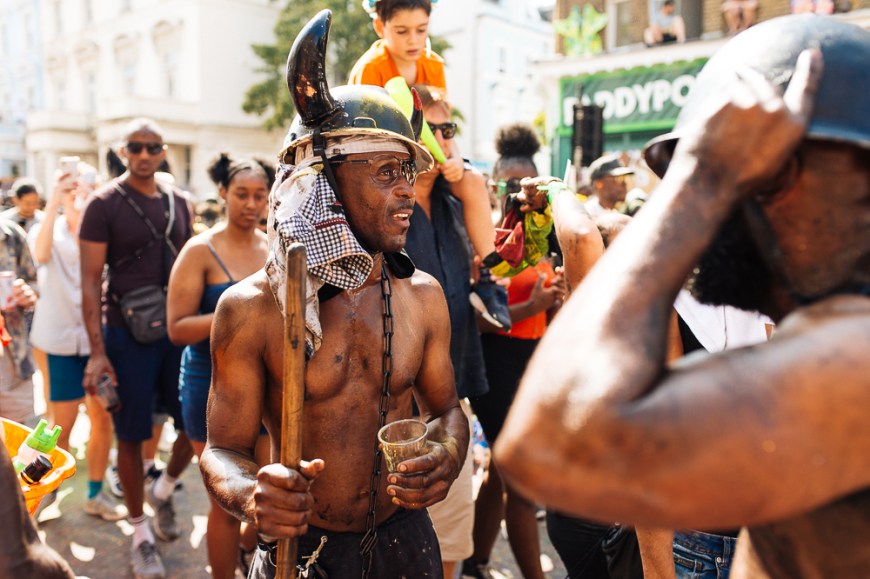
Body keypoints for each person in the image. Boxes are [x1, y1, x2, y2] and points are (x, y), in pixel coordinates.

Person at [495, 15, 870, 578]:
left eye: (764, 175)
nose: (734, 208)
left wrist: (702, 178)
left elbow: (546, 442)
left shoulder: (849, 355)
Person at [200, 11, 468, 578]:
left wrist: (445, 455)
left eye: (409, 173)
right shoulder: (252, 309)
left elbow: (447, 411)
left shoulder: (423, 297)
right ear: (321, 182)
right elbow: (222, 450)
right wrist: (254, 494)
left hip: (406, 544)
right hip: (303, 556)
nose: (406, 191)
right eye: (386, 172)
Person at [79, 118, 194, 579]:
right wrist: (97, 352)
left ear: (163, 151)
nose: (145, 155)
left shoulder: (179, 201)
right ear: (122, 152)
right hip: (125, 336)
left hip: (177, 332)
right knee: (130, 433)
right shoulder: (101, 204)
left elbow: (194, 269)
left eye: (153, 147)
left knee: (194, 426)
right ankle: (139, 530)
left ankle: (163, 489)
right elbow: (90, 284)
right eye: (135, 147)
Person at [350, 0, 511, 330]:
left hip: (428, 159)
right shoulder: (370, 69)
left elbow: (441, 119)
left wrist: (451, 159)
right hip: (382, 162)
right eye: (402, 31)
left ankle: (490, 273)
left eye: (421, 30)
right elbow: (364, 137)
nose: (414, 40)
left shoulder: (432, 64)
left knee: (472, 179)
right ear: (380, 28)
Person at [463, 123, 565, 579]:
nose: (520, 193)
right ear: (496, 182)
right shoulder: (483, 235)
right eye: (509, 183)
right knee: (520, 480)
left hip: (534, 361)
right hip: (495, 364)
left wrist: (556, 302)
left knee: (502, 474)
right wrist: (535, 303)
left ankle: (476, 562)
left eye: (530, 184)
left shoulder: (551, 234)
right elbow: (480, 311)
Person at [166, 153, 274, 579]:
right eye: (242, 194)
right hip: (207, 386)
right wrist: (238, 314)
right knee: (226, 503)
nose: (251, 204)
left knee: (263, 492)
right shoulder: (200, 250)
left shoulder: (274, 247)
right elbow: (176, 329)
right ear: (223, 194)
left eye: (260, 196)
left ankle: (249, 557)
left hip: (265, 387)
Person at [403, 85, 489, 579]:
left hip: (452, 400)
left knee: (452, 534)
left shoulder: (459, 205)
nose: (439, 141)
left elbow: (499, 266)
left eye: (447, 130)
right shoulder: (379, 209)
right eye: (427, 130)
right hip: (393, 405)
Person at [27, 163, 127, 522]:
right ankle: (46, 493)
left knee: (102, 421)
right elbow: (39, 256)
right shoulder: (47, 230)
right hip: (60, 343)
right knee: (60, 426)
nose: (79, 194)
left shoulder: (103, 231)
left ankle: (95, 494)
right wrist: (55, 197)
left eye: (87, 188)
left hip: (97, 343)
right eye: (72, 188)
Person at [0, 215, 38, 426]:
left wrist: (28, 294)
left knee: (22, 446)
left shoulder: (12, 236)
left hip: (13, 359)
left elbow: (34, 283)